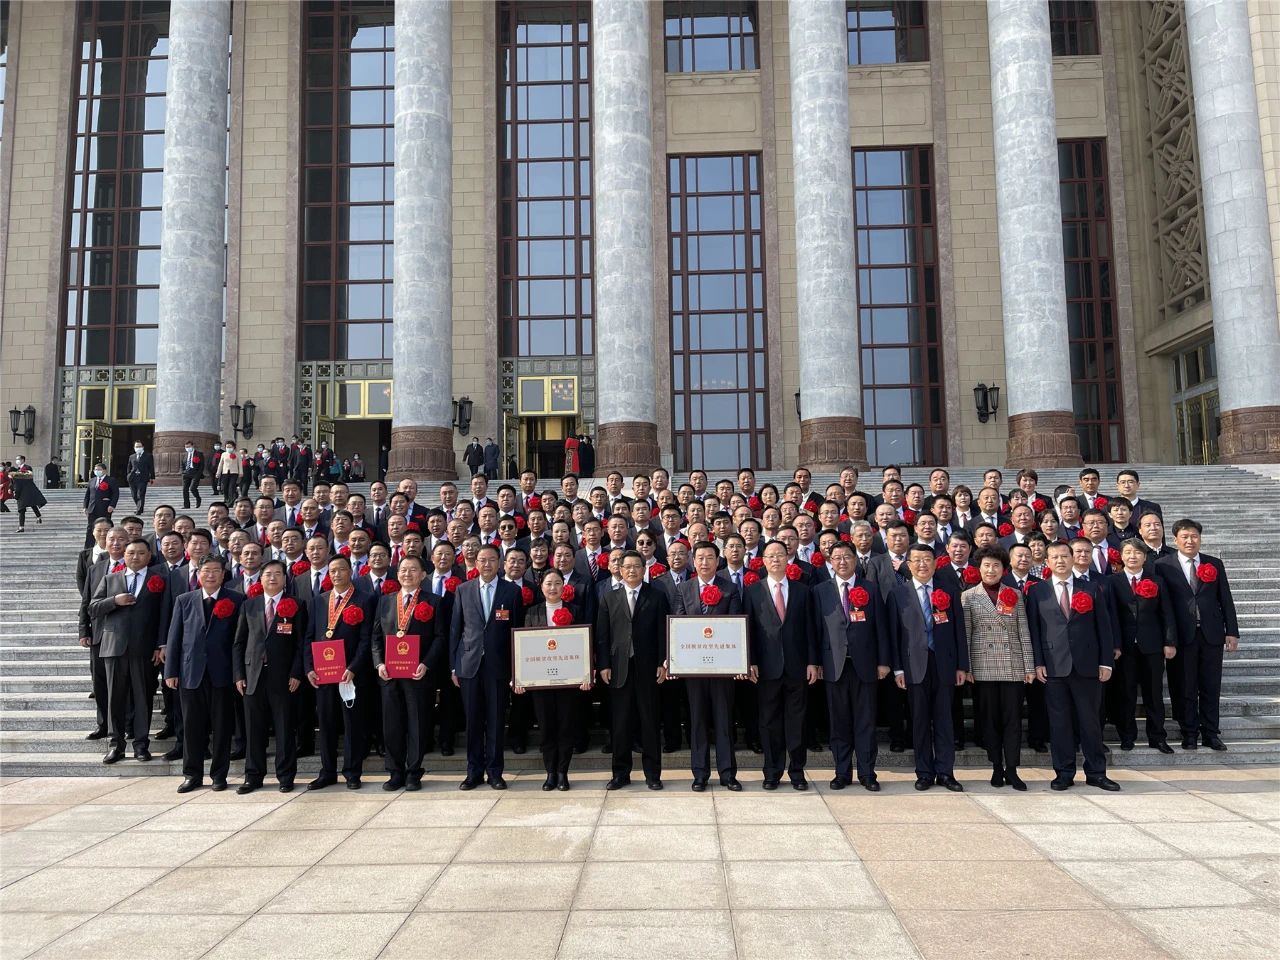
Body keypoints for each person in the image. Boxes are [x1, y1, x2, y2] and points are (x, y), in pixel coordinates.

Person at [1025, 541, 1120, 791]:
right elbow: (1034, 630)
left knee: (1090, 722)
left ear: (1073, 558)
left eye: (1064, 556)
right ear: (1047, 561)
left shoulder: (1091, 588)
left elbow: (1104, 627)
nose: (1060, 561)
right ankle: (1064, 772)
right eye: (1054, 557)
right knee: (1060, 723)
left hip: (1087, 665)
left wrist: (1106, 662)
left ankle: (1096, 772)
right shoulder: (1037, 591)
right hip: (1053, 667)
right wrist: (1037, 662)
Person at [889, 542, 968, 792]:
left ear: (935, 564)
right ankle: (924, 772)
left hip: (944, 663)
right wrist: (898, 669)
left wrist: (961, 666)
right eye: (917, 560)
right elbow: (894, 635)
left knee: (944, 720)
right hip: (914, 666)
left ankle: (946, 772)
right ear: (908, 565)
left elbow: (959, 630)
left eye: (927, 560)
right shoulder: (898, 594)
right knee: (920, 720)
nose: (922, 565)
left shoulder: (948, 591)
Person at [1155, 518, 1239, 751]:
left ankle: (1211, 733)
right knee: (1185, 686)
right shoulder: (1163, 565)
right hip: (1181, 636)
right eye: (1185, 537)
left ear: (1200, 539)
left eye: (1194, 536)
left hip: (1212, 634)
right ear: (1175, 540)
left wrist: (1232, 631)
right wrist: (1167, 638)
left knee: (1211, 686)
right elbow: (1162, 606)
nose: (1190, 541)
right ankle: (1189, 732)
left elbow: (1225, 599)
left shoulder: (1214, 563)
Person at [164, 557, 245, 793]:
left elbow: (239, 640)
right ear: (198, 574)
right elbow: (174, 637)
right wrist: (171, 671)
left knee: (222, 727)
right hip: (191, 673)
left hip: (223, 673)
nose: (210, 575)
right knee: (191, 727)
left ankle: (219, 775)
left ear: (223, 574)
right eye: (206, 570)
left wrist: (238, 673)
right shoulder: (184, 600)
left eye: (216, 571)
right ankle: (192, 775)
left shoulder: (237, 599)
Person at [450, 543, 525, 790]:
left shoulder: (511, 591)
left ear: (500, 563)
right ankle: (473, 772)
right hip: (469, 665)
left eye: (492, 559)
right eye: (482, 560)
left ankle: (495, 772)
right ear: (475, 562)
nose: (487, 564)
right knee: (473, 722)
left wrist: (516, 668)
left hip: (499, 666)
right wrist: (453, 666)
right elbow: (456, 629)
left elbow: (517, 632)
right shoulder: (463, 590)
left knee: (495, 721)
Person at [88, 537, 170, 764]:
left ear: (149, 556)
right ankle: (116, 745)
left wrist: (160, 645)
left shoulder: (159, 579)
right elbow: (92, 608)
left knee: (143, 697)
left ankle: (141, 745)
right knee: (115, 698)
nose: (136, 557)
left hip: (144, 648)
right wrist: (114, 600)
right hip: (114, 647)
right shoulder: (110, 579)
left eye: (141, 553)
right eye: (131, 553)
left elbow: (164, 614)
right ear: (124, 555)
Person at [815, 541, 888, 791]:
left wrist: (883, 662)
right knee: (839, 723)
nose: (842, 561)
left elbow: (881, 628)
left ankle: (868, 773)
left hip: (865, 666)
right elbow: (815, 630)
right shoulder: (820, 590)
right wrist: (816, 662)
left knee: (866, 722)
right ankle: (842, 773)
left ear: (855, 560)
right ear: (830, 561)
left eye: (847, 556)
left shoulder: (870, 589)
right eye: (837, 557)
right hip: (833, 666)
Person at [596, 549, 672, 790]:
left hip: (649, 669)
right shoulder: (609, 597)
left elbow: (664, 632)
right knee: (620, 724)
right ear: (619, 569)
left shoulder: (657, 596)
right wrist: (604, 665)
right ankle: (620, 774)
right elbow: (602, 635)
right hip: (618, 669)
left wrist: (663, 662)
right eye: (626, 566)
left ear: (644, 569)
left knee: (650, 723)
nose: (631, 570)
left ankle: (653, 775)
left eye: (636, 566)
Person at [961, 546, 1034, 791]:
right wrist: (967, 667)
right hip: (983, 667)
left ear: (1004, 570)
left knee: (1013, 721)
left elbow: (1023, 632)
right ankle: (996, 767)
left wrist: (1029, 666)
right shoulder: (968, 596)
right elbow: (966, 635)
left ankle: (1012, 769)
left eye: (996, 566)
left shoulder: (1014, 594)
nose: (991, 570)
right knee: (989, 721)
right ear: (979, 569)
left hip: (1013, 665)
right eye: (986, 566)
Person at [673, 541, 743, 792]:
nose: (704, 562)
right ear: (693, 561)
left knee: (724, 721)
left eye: (709, 557)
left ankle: (728, 773)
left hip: (722, 668)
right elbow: (678, 624)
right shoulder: (684, 588)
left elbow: (735, 625)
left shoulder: (730, 588)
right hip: (694, 668)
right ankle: (700, 773)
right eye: (700, 558)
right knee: (698, 721)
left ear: (718, 561)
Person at [233, 559, 307, 794]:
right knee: (254, 729)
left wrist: (296, 673)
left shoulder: (296, 604)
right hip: (252, 677)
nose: (272, 578)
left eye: (277, 574)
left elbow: (301, 644)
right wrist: (239, 674)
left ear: (285, 579)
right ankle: (253, 777)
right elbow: (239, 643)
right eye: (268, 574)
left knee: (284, 729)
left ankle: (285, 776)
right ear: (261, 579)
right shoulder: (249, 605)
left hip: (283, 678)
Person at [515, 569, 593, 790]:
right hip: (541, 683)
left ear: (564, 587)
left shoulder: (575, 610)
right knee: (546, 727)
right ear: (541, 587)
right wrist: (519, 678)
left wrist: (586, 674)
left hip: (568, 682)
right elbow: (524, 648)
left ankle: (563, 773)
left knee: (566, 727)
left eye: (557, 583)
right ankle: (550, 772)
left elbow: (584, 644)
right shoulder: (532, 613)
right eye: (548, 583)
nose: (553, 588)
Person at [304, 555, 376, 790]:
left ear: (350, 571)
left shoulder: (365, 599)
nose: (336, 574)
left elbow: (366, 639)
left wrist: (353, 668)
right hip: (323, 674)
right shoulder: (319, 600)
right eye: (332, 570)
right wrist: (309, 668)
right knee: (326, 724)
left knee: (352, 724)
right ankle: (327, 772)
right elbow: (309, 636)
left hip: (351, 674)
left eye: (341, 570)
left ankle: (352, 772)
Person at [371, 556, 437, 791]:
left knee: (417, 723)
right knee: (392, 724)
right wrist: (379, 663)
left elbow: (439, 637)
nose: (407, 574)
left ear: (423, 574)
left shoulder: (433, 601)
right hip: (389, 675)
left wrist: (426, 664)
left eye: (413, 570)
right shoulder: (385, 601)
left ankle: (413, 772)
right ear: (397, 574)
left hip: (418, 674)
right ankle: (395, 771)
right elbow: (375, 637)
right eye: (403, 570)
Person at [1107, 539, 1177, 754]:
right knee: (1126, 692)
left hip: (1152, 645)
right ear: (1121, 556)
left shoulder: (1156, 580)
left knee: (1154, 693)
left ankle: (1157, 737)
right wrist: (1115, 644)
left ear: (1145, 557)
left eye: (1137, 552)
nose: (1133, 556)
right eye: (1128, 552)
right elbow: (1111, 616)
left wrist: (1169, 642)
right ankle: (1127, 736)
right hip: (1125, 647)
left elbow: (1167, 613)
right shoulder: (1113, 582)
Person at [82, 461, 118, 546]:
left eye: (99, 469)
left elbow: (115, 494)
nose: (97, 471)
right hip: (92, 508)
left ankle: (106, 545)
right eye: (95, 469)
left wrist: (112, 505)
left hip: (105, 508)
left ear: (104, 470)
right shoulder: (92, 480)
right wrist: (85, 507)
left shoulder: (111, 480)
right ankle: (88, 547)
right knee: (90, 528)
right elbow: (87, 495)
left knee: (105, 528)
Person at [11, 466, 47, 533]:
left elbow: (17, 488)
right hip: (29, 494)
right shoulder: (27, 477)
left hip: (22, 496)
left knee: (21, 511)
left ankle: (21, 527)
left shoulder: (17, 478)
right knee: (33, 505)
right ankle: (39, 517)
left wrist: (15, 496)